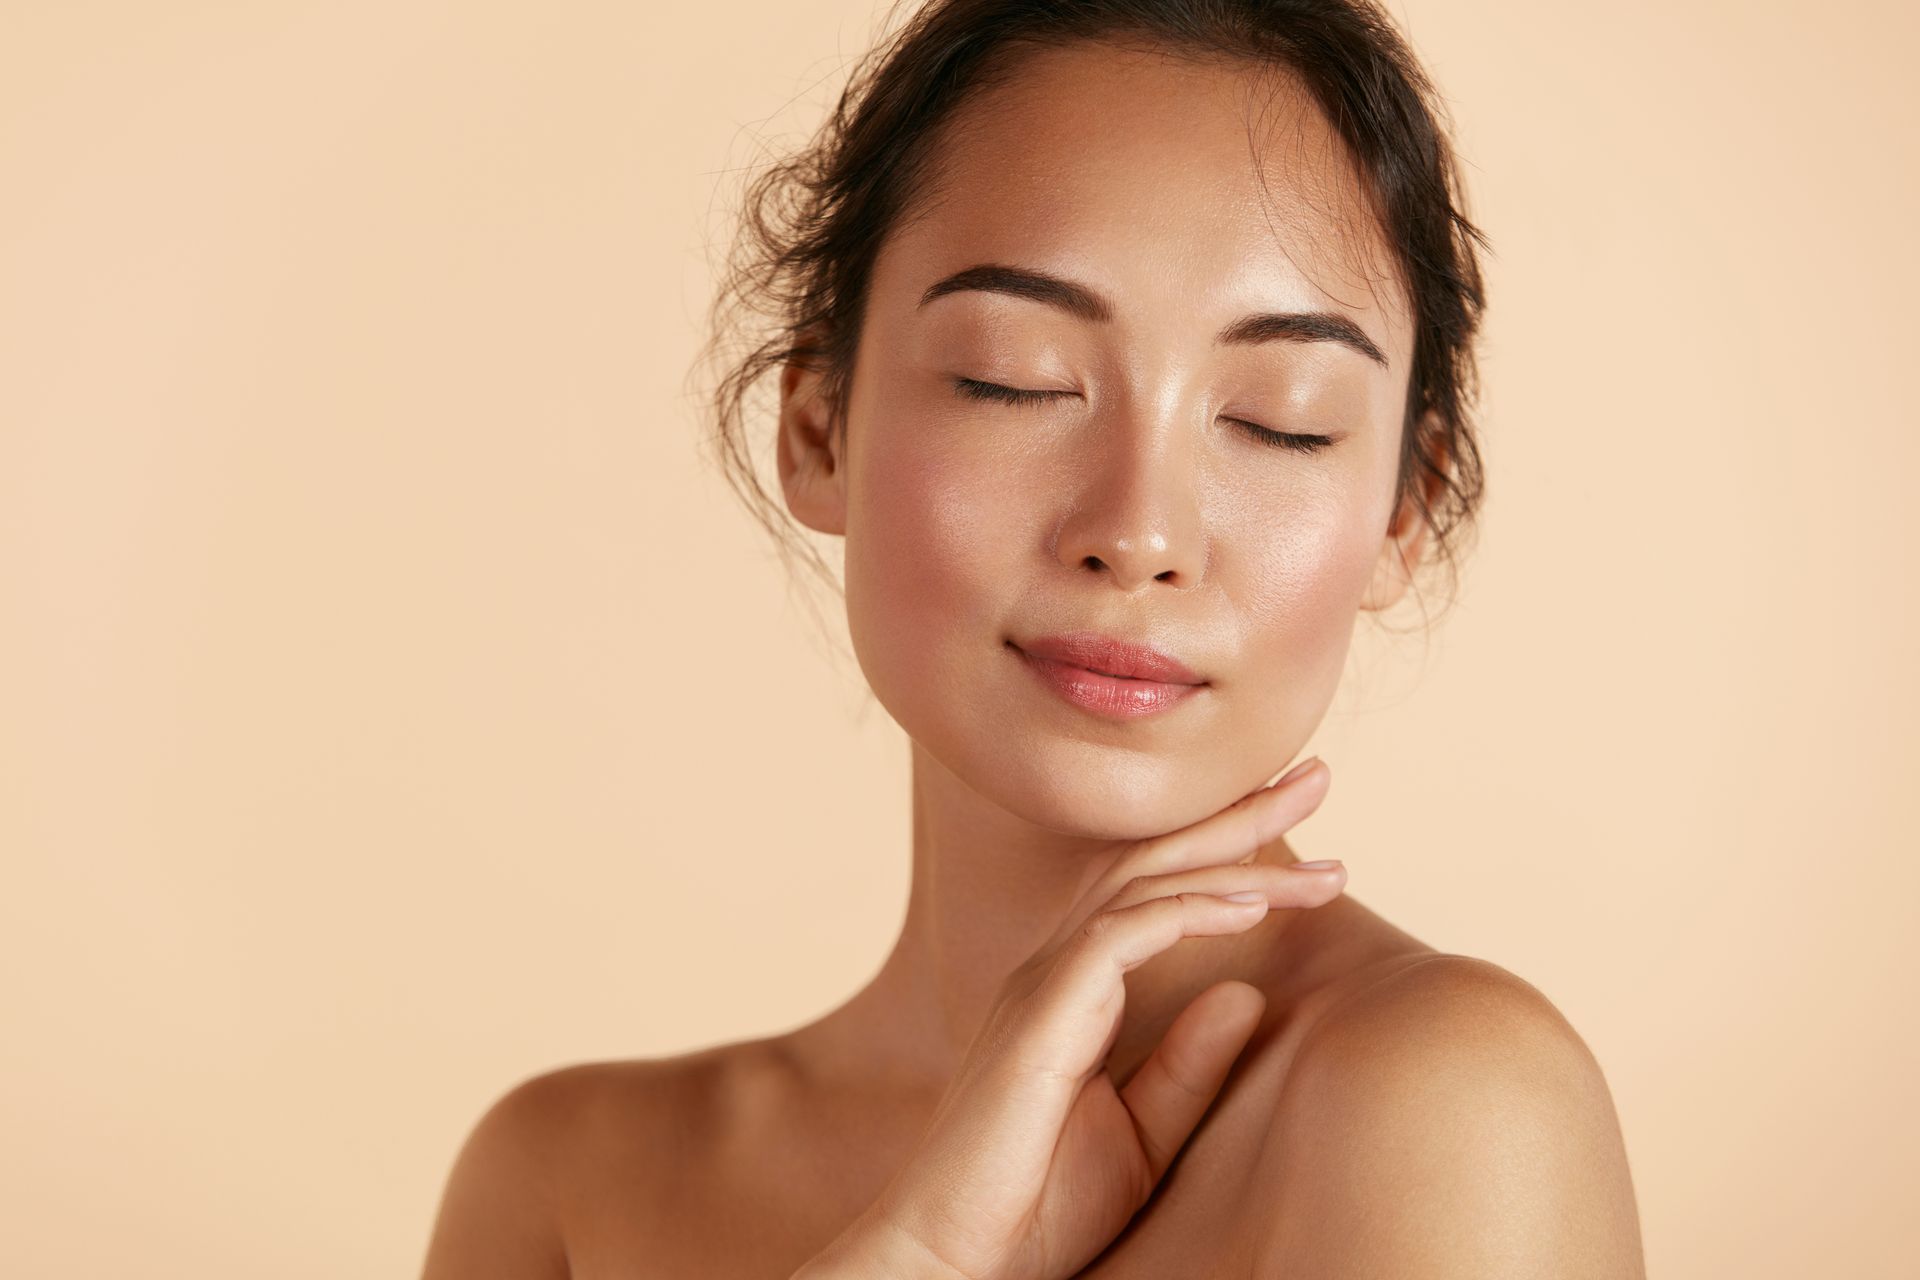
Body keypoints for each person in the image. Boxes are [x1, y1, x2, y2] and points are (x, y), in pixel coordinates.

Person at [421, 1, 1646, 1276]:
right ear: (818, 425)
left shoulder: (1451, 1110)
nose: (1139, 531)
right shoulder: (571, 1182)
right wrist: (917, 1251)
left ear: (1406, 509)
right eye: (1017, 377)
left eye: (1283, 420)